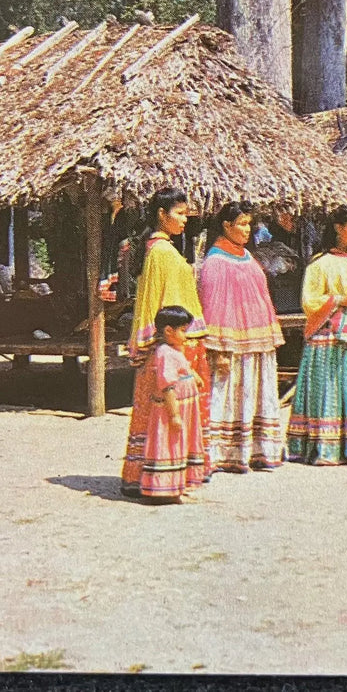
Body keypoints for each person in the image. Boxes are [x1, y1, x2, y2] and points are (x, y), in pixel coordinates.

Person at [120, 188, 210, 497]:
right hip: (174, 343)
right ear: (162, 214)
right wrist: (164, 343)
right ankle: (160, 476)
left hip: (179, 339)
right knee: (170, 412)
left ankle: (167, 474)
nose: (185, 219)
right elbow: (153, 301)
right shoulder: (160, 252)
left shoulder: (164, 250)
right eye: (180, 213)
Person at [285, 206, 347, 465]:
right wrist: (342, 299)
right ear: (338, 229)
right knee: (331, 386)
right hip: (332, 333)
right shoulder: (321, 264)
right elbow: (310, 301)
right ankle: (328, 446)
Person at [197, 201, 286, 473]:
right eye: (242, 224)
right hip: (232, 346)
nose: (248, 230)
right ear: (226, 225)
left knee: (256, 394)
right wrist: (219, 349)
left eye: (250, 224)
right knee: (230, 394)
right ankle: (226, 454)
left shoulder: (246, 256)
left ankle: (257, 450)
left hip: (257, 343)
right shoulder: (215, 261)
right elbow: (212, 307)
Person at [137, 305, 209, 502]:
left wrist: (194, 376)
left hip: (185, 407)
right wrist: (174, 414)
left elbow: (183, 367)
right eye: (183, 331)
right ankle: (166, 489)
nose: (186, 335)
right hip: (173, 408)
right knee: (171, 443)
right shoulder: (164, 352)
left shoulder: (174, 350)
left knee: (181, 443)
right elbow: (167, 385)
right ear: (169, 330)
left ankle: (178, 484)